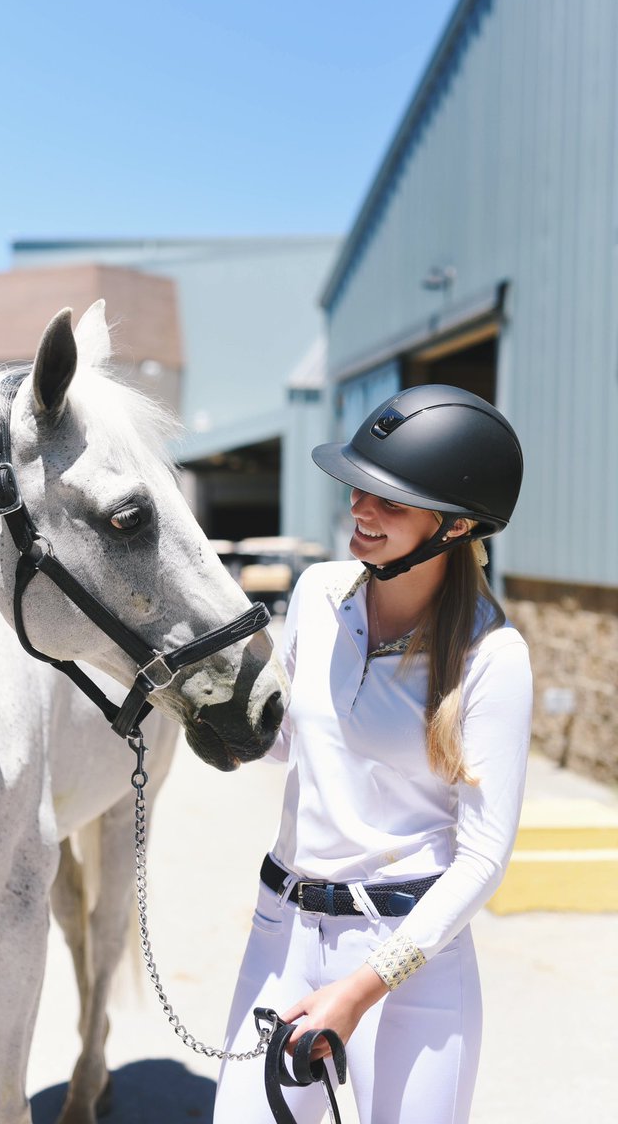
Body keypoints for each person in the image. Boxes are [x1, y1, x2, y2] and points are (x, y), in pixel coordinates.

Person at [213, 385, 532, 1124]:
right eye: (359, 489)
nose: (361, 510)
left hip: (410, 958)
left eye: (389, 501)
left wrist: (361, 990)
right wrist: (206, 721)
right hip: (283, 929)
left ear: (454, 525)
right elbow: (293, 743)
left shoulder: (493, 658)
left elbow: (483, 860)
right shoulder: (320, 592)